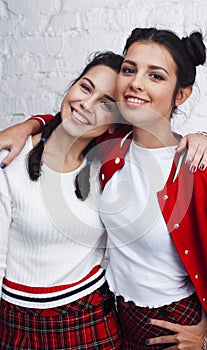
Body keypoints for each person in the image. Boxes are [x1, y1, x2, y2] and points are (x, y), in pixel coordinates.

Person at [94, 28, 207, 349]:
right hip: (114, 315)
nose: (136, 83)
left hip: (175, 324)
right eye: (129, 70)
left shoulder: (200, 168)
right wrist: (31, 124)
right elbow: (67, 119)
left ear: (180, 95)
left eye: (155, 76)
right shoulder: (107, 145)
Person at [0, 51, 125, 350]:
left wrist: (203, 136)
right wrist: (33, 124)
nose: (86, 103)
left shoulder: (107, 169)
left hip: (91, 321)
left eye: (105, 103)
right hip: (16, 322)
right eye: (85, 87)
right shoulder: (10, 161)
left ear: (114, 124)